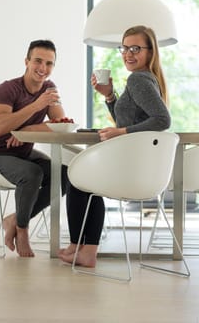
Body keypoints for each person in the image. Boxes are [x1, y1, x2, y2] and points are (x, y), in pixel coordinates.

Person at [58, 25, 171, 267]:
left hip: (131, 171)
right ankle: (83, 249)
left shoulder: (138, 79)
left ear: (150, 52)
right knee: (85, 181)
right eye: (124, 48)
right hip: (140, 169)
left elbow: (162, 120)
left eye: (135, 48)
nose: (128, 54)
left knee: (78, 179)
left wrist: (121, 132)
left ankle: (81, 248)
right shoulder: (146, 79)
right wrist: (110, 96)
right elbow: (132, 120)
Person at [0, 39, 69, 257]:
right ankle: (23, 231)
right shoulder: (7, 89)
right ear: (26, 61)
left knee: (62, 175)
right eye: (38, 61)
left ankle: (14, 219)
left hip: (21, 152)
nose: (43, 68)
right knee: (32, 173)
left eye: (49, 63)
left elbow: (61, 125)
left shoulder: (49, 89)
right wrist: (36, 106)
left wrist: (25, 129)